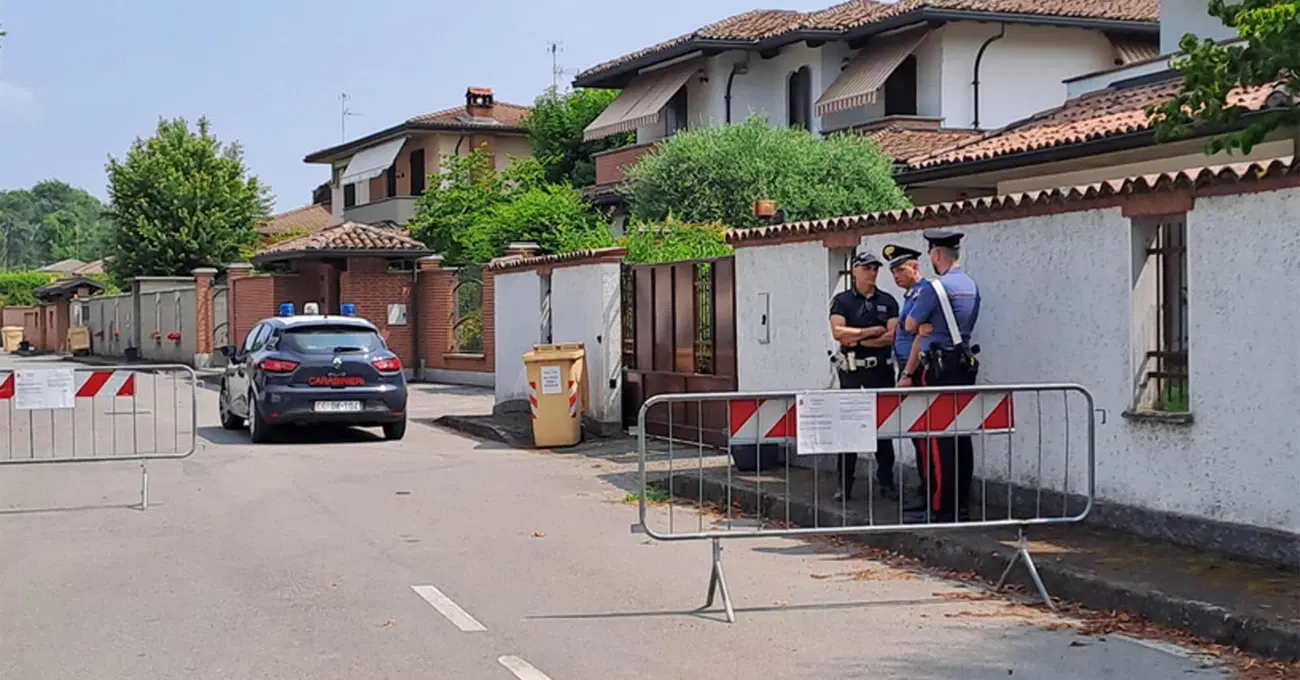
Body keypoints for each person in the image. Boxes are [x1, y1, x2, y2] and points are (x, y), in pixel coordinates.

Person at [904, 230, 981, 523]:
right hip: (963, 364)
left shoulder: (935, 288)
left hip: (939, 367)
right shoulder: (971, 286)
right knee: (962, 436)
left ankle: (940, 507)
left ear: (937, 254)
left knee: (939, 440)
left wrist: (922, 327)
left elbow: (910, 324)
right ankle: (962, 504)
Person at [828, 252, 900, 502]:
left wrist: (858, 338)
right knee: (848, 430)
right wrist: (869, 332)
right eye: (867, 268)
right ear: (854, 271)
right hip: (853, 373)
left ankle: (887, 483)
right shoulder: (843, 301)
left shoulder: (887, 301)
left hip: (880, 372)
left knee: (883, 431)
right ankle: (844, 485)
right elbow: (839, 332)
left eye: (875, 269)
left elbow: (892, 336)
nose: (872, 273)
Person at [882, 243, 929, 504]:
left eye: (900, 270)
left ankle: (928, 490)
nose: (896, 276)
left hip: (916, 369)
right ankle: (925, 487)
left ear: (915, 267)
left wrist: (908, 373)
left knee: (923, 434)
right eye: (893, 272)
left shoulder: (923, 294)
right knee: (916, 433)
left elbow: (919, 337)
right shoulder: (911, 296)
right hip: (904, 366)